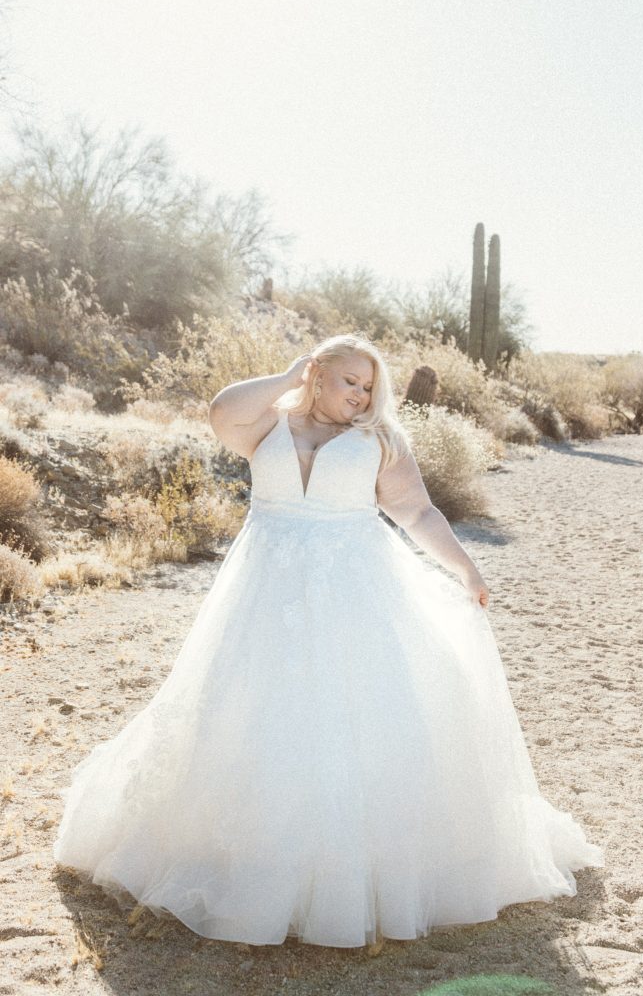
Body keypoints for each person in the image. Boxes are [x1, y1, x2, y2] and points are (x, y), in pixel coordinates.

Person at [53, 333, 605, 948]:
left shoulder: (382, 440)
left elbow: (418, 514)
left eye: (370, 387)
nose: (362, 395)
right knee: (250, 709)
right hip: (264, 589)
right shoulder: (268, 424)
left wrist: (466, 570)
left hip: (356, 590)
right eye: (351, 382)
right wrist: (288, 375)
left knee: (355, 718)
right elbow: (220, 412)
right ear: (318, 374)